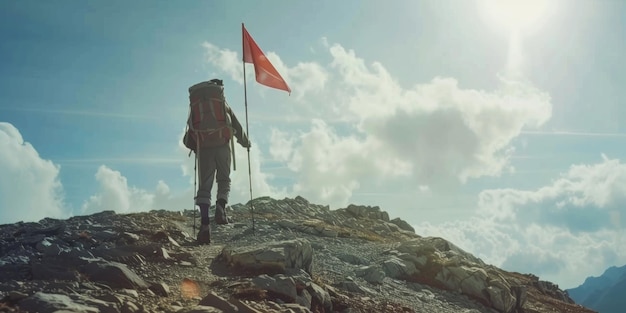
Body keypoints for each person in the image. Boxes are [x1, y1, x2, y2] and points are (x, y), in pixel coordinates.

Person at [185, 79, 250, 244]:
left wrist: (196, 146)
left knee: (204, 186)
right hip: (222, 145)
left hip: (204, 148)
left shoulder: (195, 107)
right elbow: (235, 124)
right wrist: (245, 143)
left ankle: (205, 224)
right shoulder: (222, 104)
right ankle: (221, 206)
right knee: (224, 179)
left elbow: (188, 135)